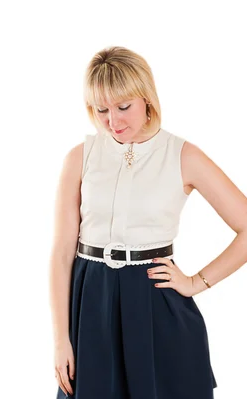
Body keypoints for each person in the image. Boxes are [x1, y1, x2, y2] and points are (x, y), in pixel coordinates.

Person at [49, 46, 247, 399]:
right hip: (90, 305)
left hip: (156, 304)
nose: (113, 121)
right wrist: (60, 339)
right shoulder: (80, 157)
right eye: (101, 109)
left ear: (147, 99)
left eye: (123, 107)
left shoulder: (183, 155)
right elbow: (62, 252)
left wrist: (196, 282)